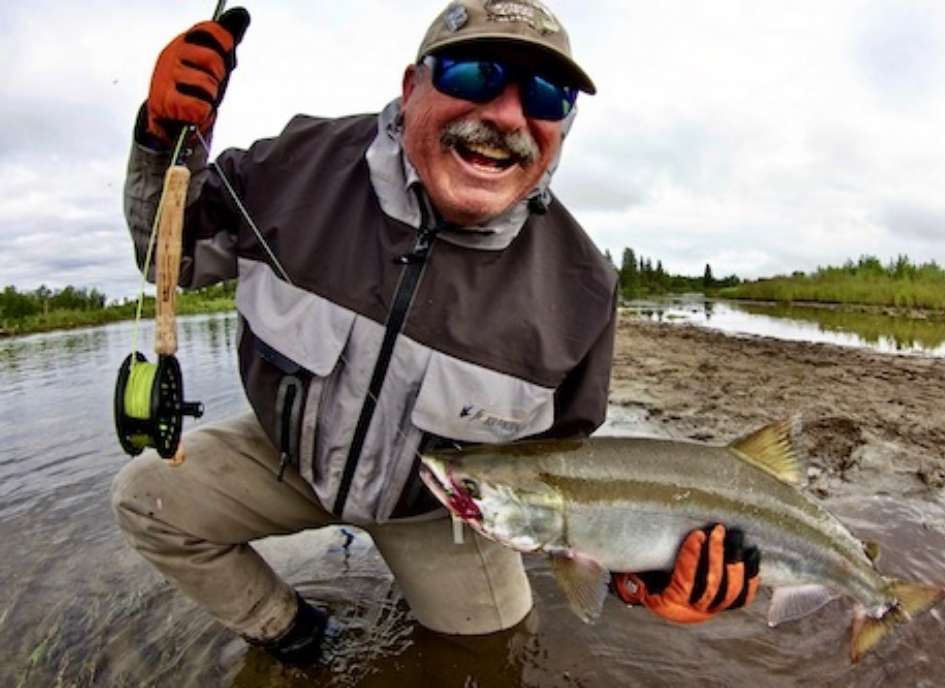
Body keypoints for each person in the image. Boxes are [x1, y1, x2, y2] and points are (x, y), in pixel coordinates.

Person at [112, 0, 760, 666]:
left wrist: (644, 575)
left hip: (441, 508)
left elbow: (568, 478)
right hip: (289, 461)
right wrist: (162, 140)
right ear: (409, 88)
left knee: (494, 653)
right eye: (474, 74)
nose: (507, 115)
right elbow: (170, 254)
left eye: (544, 93)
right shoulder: (296, 167)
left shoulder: (583, 289)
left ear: (564, 125)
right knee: (146, 500)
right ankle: (293, 634)